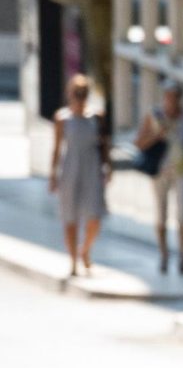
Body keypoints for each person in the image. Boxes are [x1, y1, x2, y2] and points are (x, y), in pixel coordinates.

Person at [135, 84, 183, 276]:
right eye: (167, 97)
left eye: (174, 97)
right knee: (161, 214)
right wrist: (156, 135)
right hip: (160, 171)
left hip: (182, 170)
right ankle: (164, 254)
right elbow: (139, 143)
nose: (170, 101)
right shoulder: (153, 116)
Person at [48, 74, 106, 278]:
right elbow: (56, 149)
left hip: (91, 168)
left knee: (95, 216)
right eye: (76, 93)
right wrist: (52, 176)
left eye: (83, 94)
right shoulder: (62, 118)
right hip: (70, 169)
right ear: (69, 94)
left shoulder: (97, 116)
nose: (80, 98)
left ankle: (85, 250)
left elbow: (104, 145)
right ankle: (73, 261)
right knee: (70, 217)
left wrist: (107, 169)